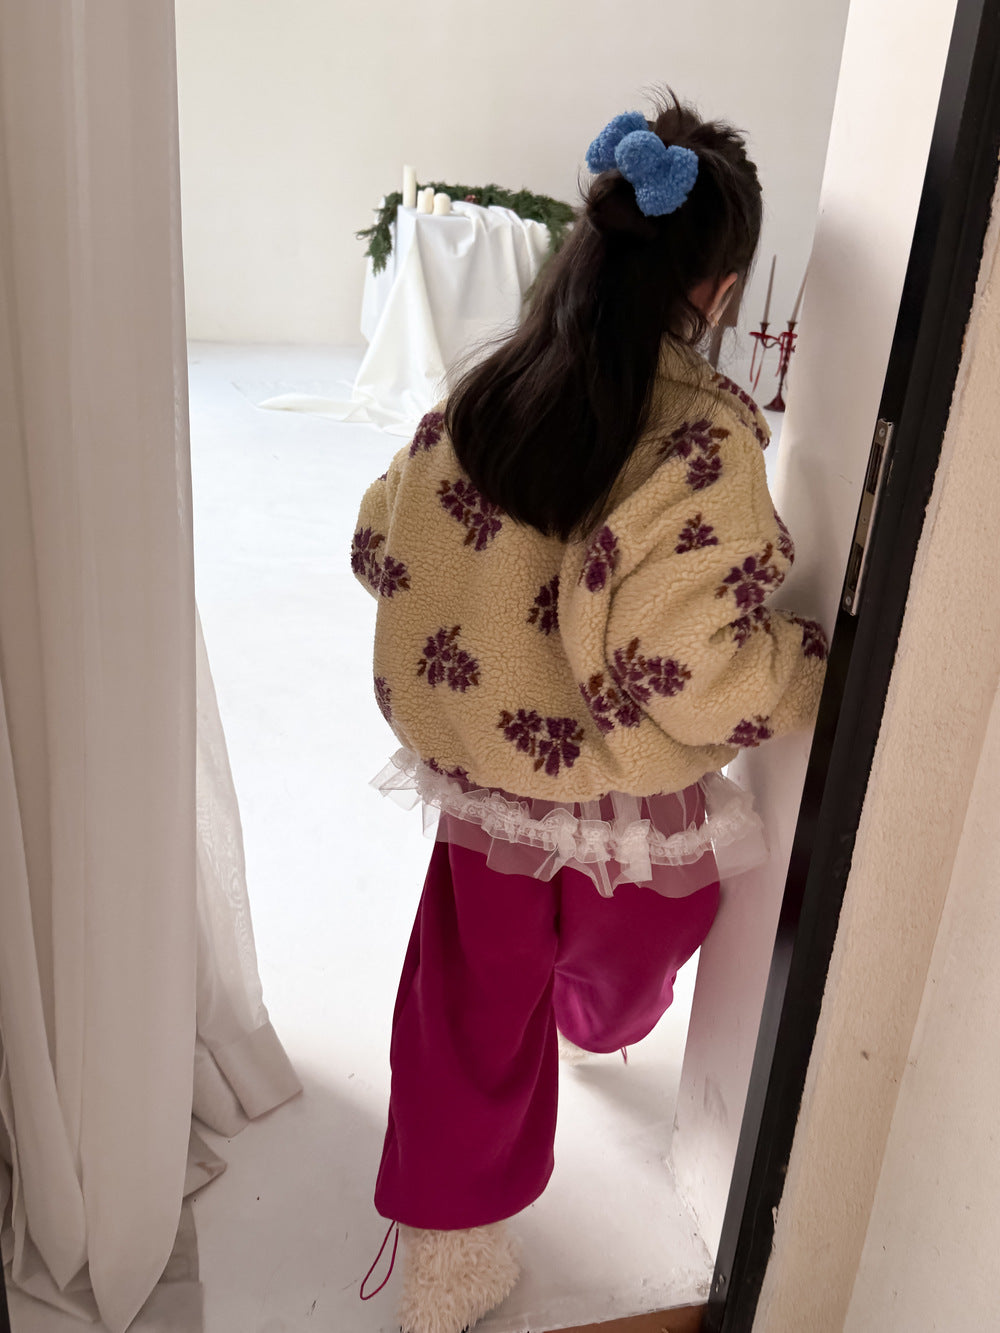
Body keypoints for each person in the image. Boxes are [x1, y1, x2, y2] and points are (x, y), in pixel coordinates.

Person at [351, 91, 827, 1333]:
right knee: (645, 942)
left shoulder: (486, 392)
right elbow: (687, 662)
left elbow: (377, 541)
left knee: (464, 1011)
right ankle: (589, 1017)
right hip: (623, 790)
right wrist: (803, 670)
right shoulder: (708, 441)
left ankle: (448, 1261)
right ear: (720, 291)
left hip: (488, 787)